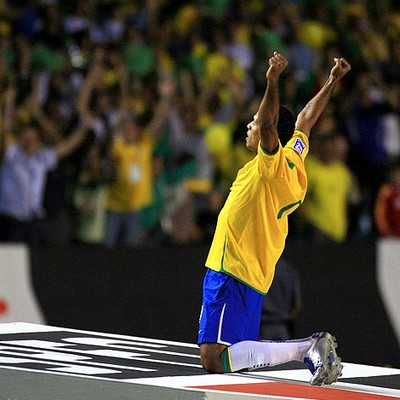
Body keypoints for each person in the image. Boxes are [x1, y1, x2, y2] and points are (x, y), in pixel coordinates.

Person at [197, 52, 351, 386]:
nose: (250, 125)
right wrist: (331, 81)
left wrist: (271, 80)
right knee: (232, 359)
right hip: (253, 271)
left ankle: (305, 348)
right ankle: (306, 349)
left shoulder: (274, 163)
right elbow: (305, 121)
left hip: (232, 269)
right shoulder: (294, 160)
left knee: (214, 359)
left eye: (254, 119)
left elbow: (269, 124)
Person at [259, 259, 303, 341]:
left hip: (261, 327)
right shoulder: (288, 270)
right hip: (282, 328)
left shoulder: (259, 268)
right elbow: (297, 305)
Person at [374, 162, 400, 238]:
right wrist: (385, 231)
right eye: (398, 175)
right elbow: (380, 213)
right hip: (390, 237)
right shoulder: (386, 191)